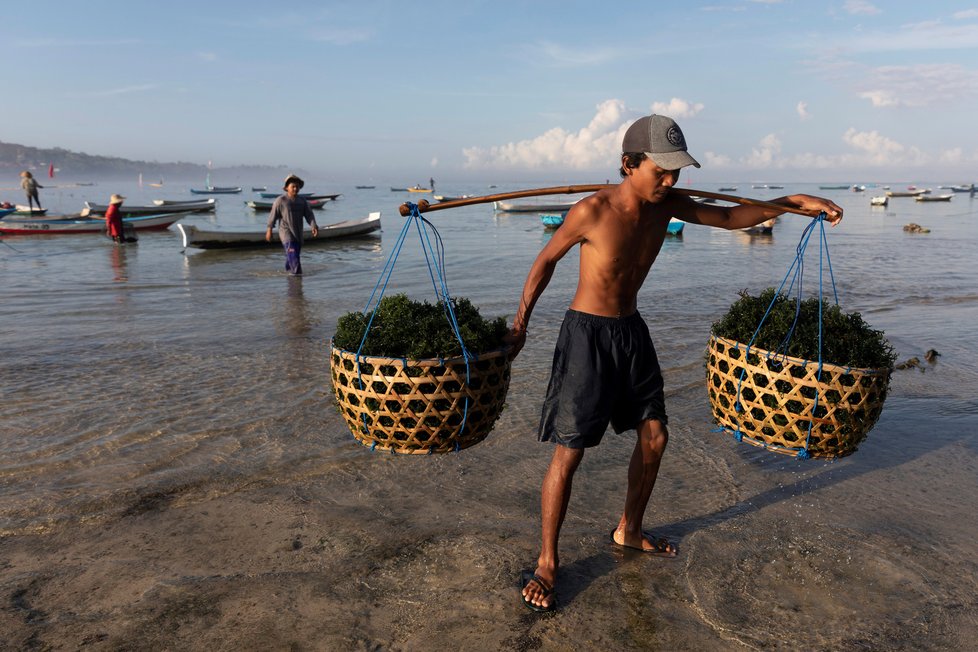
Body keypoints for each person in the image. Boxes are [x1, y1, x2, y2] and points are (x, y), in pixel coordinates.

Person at [511, 113, 843, 613]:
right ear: (629, 164)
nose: (669, 181)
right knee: (570, 451)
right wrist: (520, 326)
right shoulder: (591, 211)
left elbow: (732, 217)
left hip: (632, 331)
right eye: (659, 171)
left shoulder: (670, 207)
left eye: (676, 172)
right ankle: (548, 562)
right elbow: (545, 262)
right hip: (587, 336)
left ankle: (629, 529)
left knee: (656, 436)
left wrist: (794, 203)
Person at [266, 174, 318, 275]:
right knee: (293, 256)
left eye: (297, 186)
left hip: (298, 233)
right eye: (293, 186)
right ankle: (297, 280)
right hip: (286, 233)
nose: (295, 188)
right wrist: (269, 230)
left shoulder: (302, 201)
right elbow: (272, 216)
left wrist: (313, 225)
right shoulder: (281, 201)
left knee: (294, 256)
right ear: (286, 188)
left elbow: (309, 215)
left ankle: (289, 276)